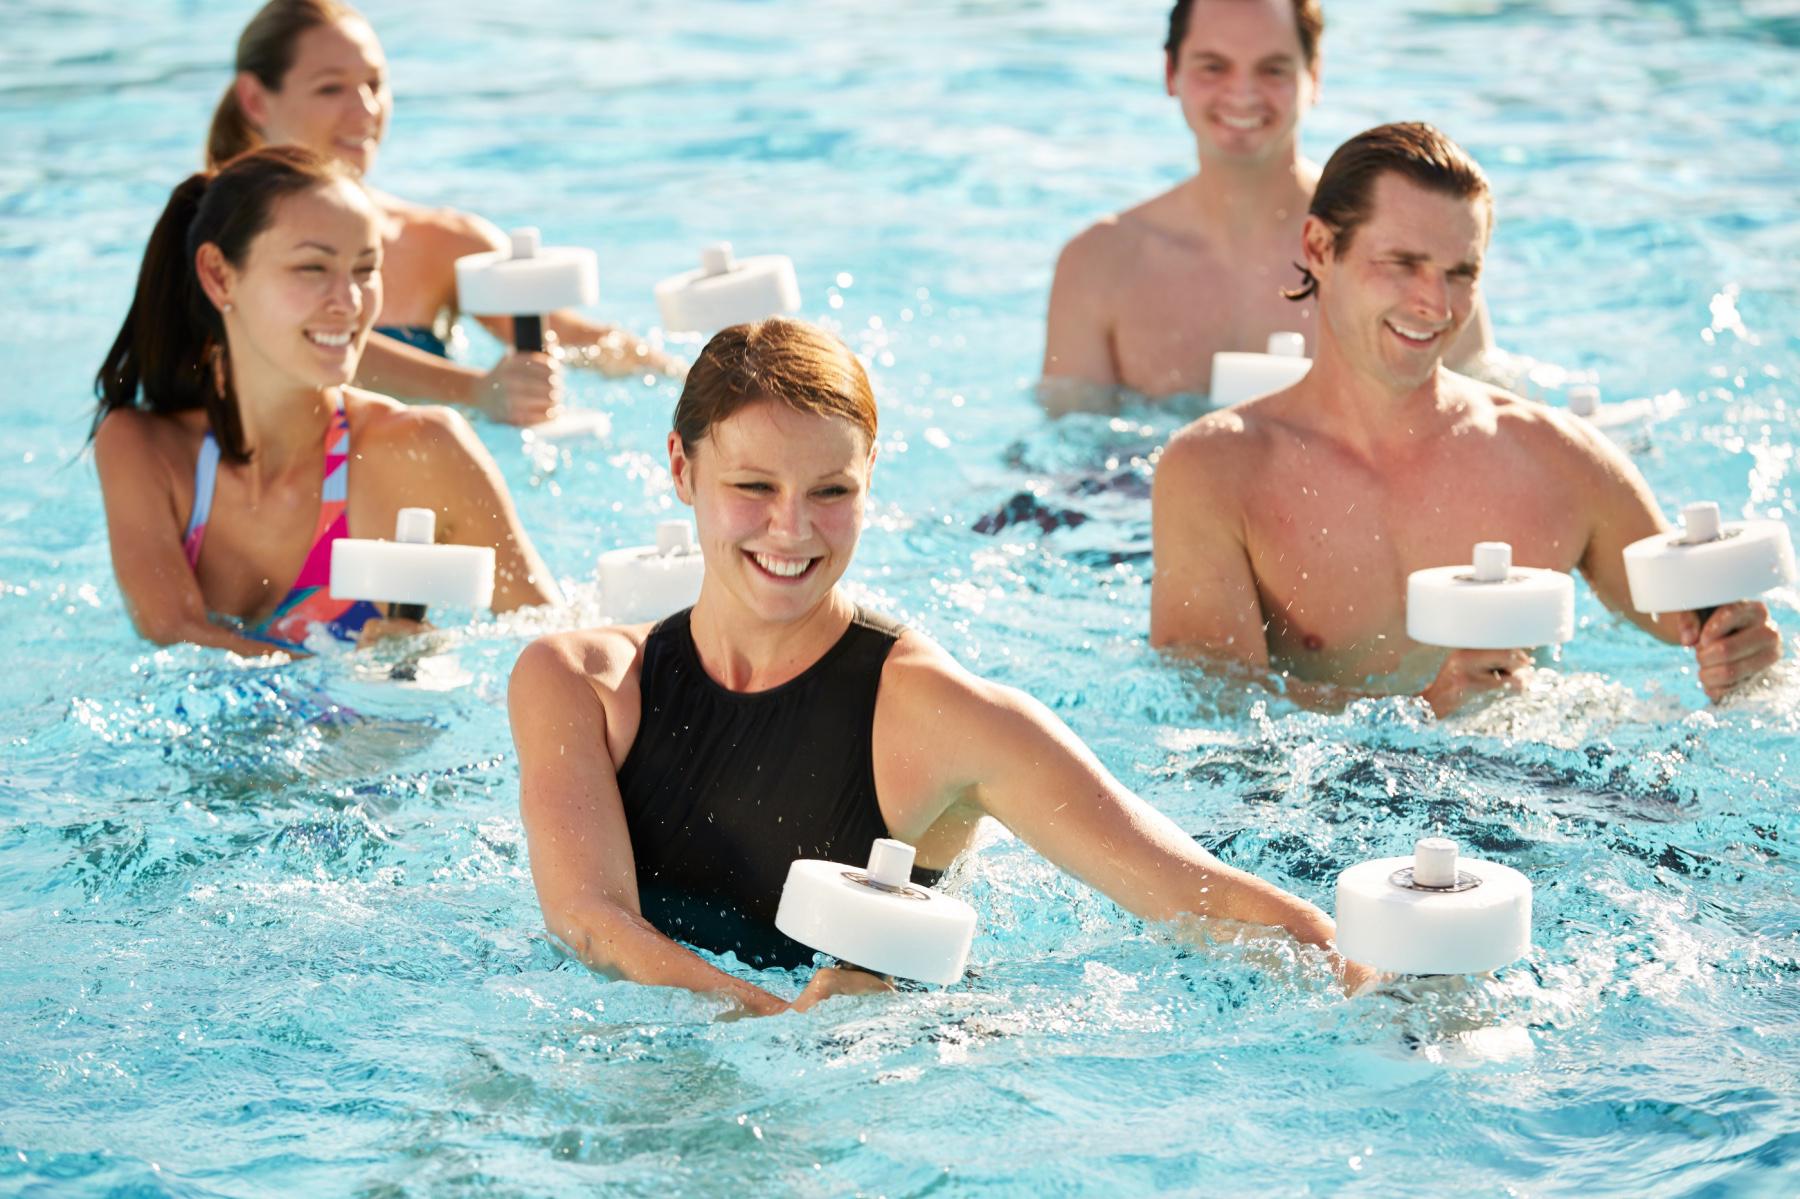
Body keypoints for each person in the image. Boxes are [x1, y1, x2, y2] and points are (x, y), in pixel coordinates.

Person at [510, 318, 1363, 1015]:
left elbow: (1200, 897)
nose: (792, 528)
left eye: (831, 492)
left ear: (870, 480)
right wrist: (781, 1024)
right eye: (755, 487)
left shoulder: (943, 716)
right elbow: (588, 920)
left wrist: (1380, 987)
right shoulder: (580, 684)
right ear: (679, 468)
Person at [1148, 122, 1782, 715]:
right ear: (1319, 247)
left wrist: (1744, 654)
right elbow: (1212, 706)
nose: (1436, 303)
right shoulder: (1214, 471)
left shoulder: (1559, 458)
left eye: (1461, 273)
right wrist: (1425, 710)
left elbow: (1695, 625)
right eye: (1402, 263)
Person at [93, 144, 563, 655]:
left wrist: (419, 665)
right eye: (313, 269)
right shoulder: (145, 450)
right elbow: (174, 635)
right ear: (219, 276)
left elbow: (550, 643)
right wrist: (347, 674)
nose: (350, 302)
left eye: (366, 269)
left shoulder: (424, 450)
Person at [208, 0, 684, 427]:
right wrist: (473, 390)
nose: (366, 109)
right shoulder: (207, 235)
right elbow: (273, 335)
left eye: (375, 84)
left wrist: (695, 378)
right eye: (331, 88)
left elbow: (581, 341)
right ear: (254, 100)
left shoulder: (440, 243)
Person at [1041, 0, 1491, 411]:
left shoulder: (1407, 241)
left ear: (1313, 74)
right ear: (1170, 73)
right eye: (1213, 66)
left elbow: (1478, 420)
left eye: (1272, 69)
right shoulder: (1099, 263)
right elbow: (1066, 465)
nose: (1243, 93)